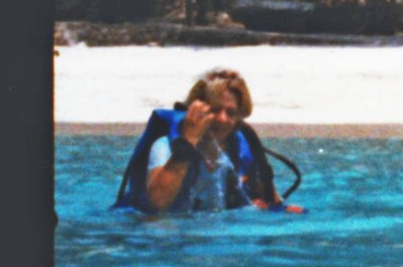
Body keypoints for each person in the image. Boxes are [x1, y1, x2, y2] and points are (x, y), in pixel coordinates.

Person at [114, 67, 283, 213]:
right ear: (195, 109)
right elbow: (156, 205)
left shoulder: (240, 150)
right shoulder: (165, 147)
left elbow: (271, 201)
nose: (222, 119)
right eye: (214, 110)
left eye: (230, 113)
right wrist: (187, 144)